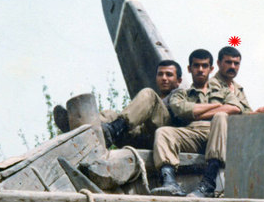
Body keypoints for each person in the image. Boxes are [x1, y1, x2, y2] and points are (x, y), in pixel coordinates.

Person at [152, 46, 264, 198]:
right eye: (196, 66)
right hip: (192, 134)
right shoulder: (181, 94)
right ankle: (169, 182)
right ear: (189, 69)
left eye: (204, 66)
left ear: (211, 68)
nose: (200, 70)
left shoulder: (223, 91)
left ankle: (209, 182)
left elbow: (235, 108)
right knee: (163, 132)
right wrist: (217, 105)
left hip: (217, 134)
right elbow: (181, 110)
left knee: (221, 116)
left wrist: (198, 113)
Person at [53, 60, 182, 149]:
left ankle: (114, 129)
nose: (164, 78)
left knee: (148, 94)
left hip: (164, 135)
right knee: (110, 114)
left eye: (169, 75)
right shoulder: (156, 98)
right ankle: (80, 128)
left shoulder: (182, 94)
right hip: (142, 136)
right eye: (160, 74)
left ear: (178, 81)